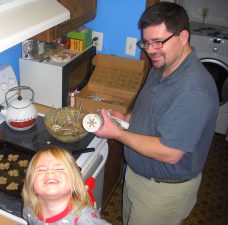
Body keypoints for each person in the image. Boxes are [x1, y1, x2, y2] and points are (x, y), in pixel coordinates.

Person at [94, 2, 219, 225]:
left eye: (158, 42)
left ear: (183, 37)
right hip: (139, 176)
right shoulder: (162, 65)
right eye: (146, 42)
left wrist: (118, 134)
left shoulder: (194, 89)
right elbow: (152, 109)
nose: (150, 50)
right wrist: (126, 120)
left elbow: (170, 152)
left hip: (162, 192)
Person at [21, 146, 111, 225]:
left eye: (60, 169)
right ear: (30, 183)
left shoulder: (85, 219)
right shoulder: (29, 208)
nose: (50, 172)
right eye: (41, 170)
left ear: (74, 182)